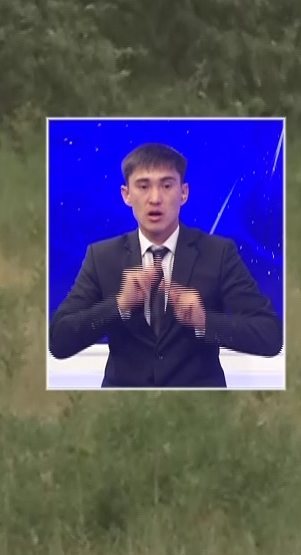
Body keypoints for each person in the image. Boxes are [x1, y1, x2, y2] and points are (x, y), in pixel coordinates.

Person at [48, 141, 282, 388]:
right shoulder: (102, 256)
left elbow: (269, 336)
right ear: (126, 195)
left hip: (199, 406)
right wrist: (119, 305)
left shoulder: (218, 253)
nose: (155, 198)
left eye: (167, 185)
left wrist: (204, 322)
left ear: (184, 193)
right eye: (143, 186)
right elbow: (60, 340)